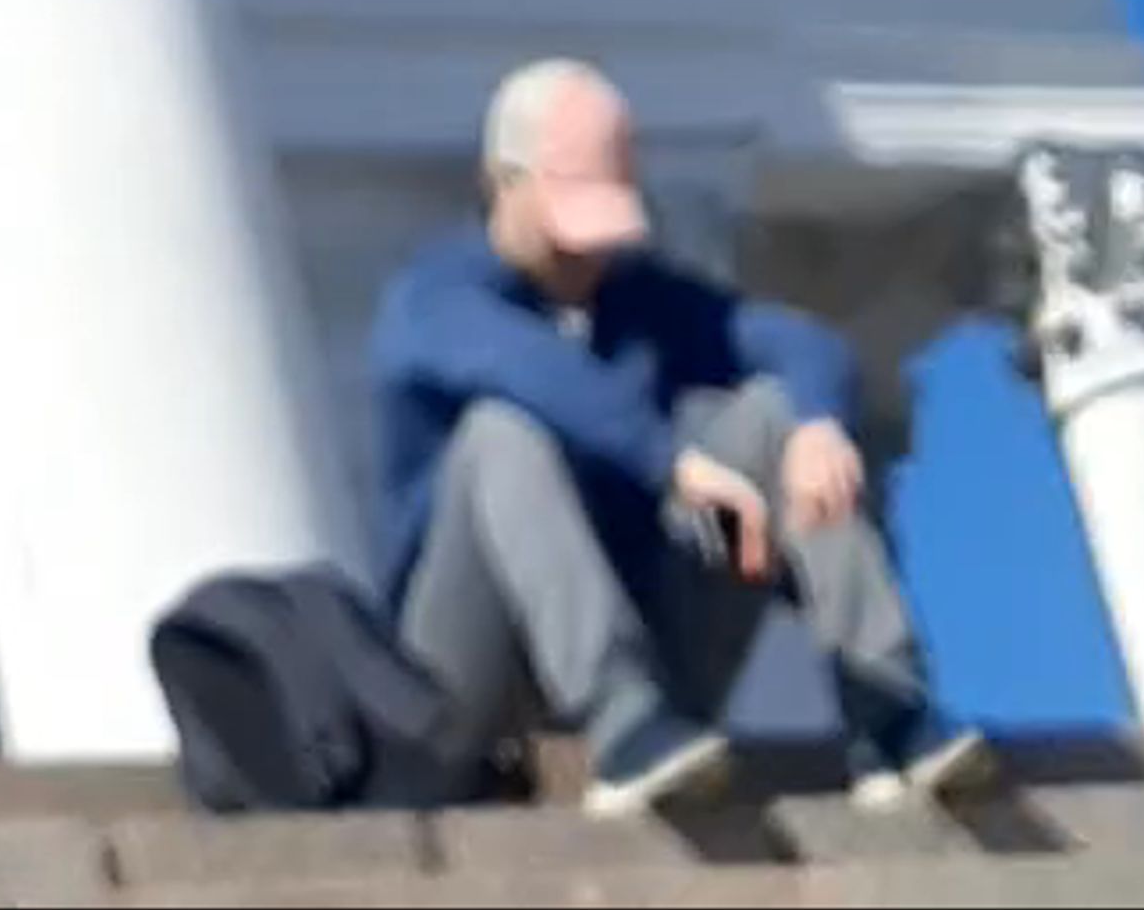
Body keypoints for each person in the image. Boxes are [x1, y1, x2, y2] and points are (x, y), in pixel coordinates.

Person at [371, 61, 996, 820]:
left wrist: (816, 423)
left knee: (773, 412)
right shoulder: (436, 297)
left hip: (666, 630)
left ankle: (890, 703)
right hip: (470, 671)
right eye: (568, 216)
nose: (587, 252)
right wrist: (673, 463)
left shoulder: (638, 297)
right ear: (504, 181)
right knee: (499, 431)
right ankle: (621, 720)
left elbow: (798, 342)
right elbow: (536, 374)